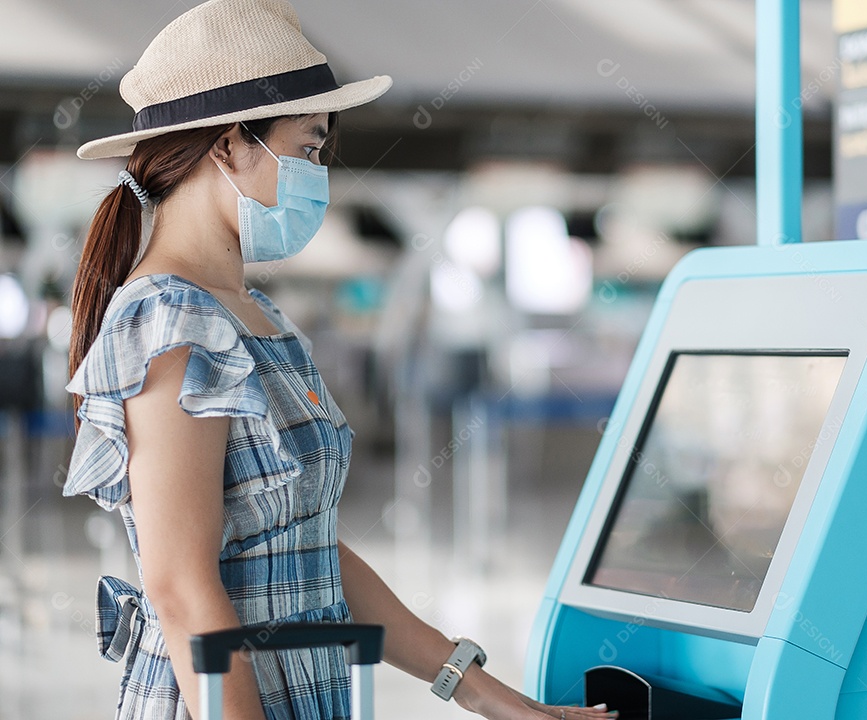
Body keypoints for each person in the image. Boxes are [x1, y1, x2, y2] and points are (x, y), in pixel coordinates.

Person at [63, 1, 616, 719]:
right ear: (231, 145)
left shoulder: (261, 318)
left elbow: (311, 554)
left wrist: (492, 698)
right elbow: (181, 589)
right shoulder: (168, 323)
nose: (319, 173)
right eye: (310, 147)